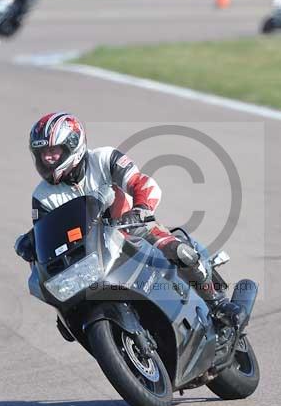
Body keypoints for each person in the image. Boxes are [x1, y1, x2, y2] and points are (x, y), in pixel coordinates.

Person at [14, 112, 244, 328]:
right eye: (42, 153)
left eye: (54, 150)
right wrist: (31, 244)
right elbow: (47, 235)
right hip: (88, 252)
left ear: (73, 144)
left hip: (130, 228)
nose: (48, 158)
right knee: (65, 314)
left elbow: (141, 183)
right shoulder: (41, 195)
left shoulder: (104, 158)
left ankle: (216, 303)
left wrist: (141, 209)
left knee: (178, 250)